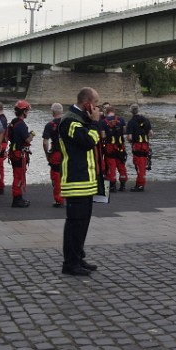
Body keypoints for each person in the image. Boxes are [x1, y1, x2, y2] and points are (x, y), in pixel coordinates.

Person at [60, 87, 102, 276]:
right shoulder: (69, 120)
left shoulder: (81, 119)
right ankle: (70, 263)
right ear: (87, 103)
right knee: (75, 223)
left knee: (83, 223)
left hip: (86, 180)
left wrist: (92, 122)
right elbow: (87, 142)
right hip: (76, 180)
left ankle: (78, 257)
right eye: (95, 104)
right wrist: (94, 123)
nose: (97, 109)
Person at [6, 100, 32, 207]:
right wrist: (32, 135)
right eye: (27, 111)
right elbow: (27, 140)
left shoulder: (13, 122)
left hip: (13, 152)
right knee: (18, 176)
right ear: (24, 111)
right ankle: (16, 199)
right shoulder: (21, 125)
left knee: (17, 175)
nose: (28, 113)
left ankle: (19, 197)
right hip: (19, 154)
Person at [100, 106, 129, 192]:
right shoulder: (121, 119)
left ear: (106, 112)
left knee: (111, 165)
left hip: (110, 147)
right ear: (114, 111)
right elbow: (124, 131)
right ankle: (123, 185)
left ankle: (112, 186)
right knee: (121, 164)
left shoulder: (103, 122)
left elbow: (103, 135)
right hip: (120, 146)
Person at [125, 104, 152, 191]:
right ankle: (140, 183)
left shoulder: (131, 122)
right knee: (143, 164)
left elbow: (129, 137)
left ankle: (140, 185)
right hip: (145, 145)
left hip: (137, 146)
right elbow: (151, 133)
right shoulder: (146, 120)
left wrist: (130, 142)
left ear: (131, 111)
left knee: (139, 165)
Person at [42, 103, 65, 207]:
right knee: (66, 175)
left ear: (52, 112)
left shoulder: (50, 125)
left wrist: (47, 154)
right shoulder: (68, 123)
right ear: (62, 111)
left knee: (56, 176)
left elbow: (45, 142)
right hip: (68, 153)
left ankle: (58, 199)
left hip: (56, 153)